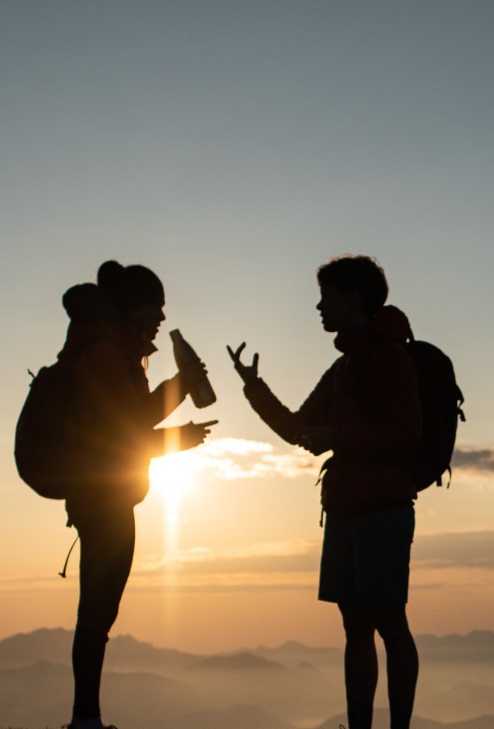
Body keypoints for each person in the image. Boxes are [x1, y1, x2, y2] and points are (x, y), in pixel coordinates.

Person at [228, 255, 423, 729]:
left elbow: (407, 433)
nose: (319, 307)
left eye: (327, 297)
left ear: (353, 299)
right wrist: (255, 390)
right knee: (356, 626)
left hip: (381, 508)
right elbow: (299, 430)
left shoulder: (389, 358)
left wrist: (338, 437)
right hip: (345, 509)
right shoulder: (343, 368)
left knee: (388, 623)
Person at [58, 261, 215, 729]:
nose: (162, 319)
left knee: (98, 611)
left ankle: (87, 716)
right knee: (97, 613)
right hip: (102, 500)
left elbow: (132, 417)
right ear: (135, 307)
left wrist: (181, 387)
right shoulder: (106, 354)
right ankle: (85, 719)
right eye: (156, 308)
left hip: (105, 497)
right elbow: (117, 435)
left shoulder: (112, 351)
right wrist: (178, 439)